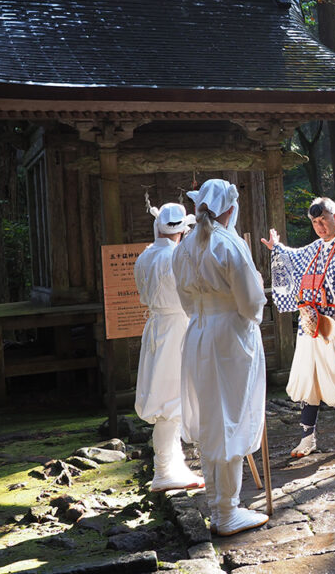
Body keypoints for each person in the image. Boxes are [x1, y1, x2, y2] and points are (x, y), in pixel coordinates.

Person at [172, 178, 269, 536]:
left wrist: (203, 314)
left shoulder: (183, 248)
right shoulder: (229, 243)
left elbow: (184, 299)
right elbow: (250, 302)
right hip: (229, 336)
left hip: (197, 333)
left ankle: (219, 504)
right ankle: (227, 510)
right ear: (230, 208)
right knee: (230, 415)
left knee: (214, 417)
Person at [261, 197, 335, 458]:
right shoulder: (314, 248)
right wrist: (277, 248)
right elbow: (293, 257)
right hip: (309, 324)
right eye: (315, 222)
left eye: (323, 220)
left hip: (334, 326)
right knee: (307, 380)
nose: (319, 226)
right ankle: (307, 439)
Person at [134, 202, 204, 493]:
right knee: (171, 399)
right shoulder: (176, 256)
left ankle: (173, 466)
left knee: (168, 398)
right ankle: (164, 470)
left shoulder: (146, 255)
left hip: (157, 325)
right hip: (176, 326)